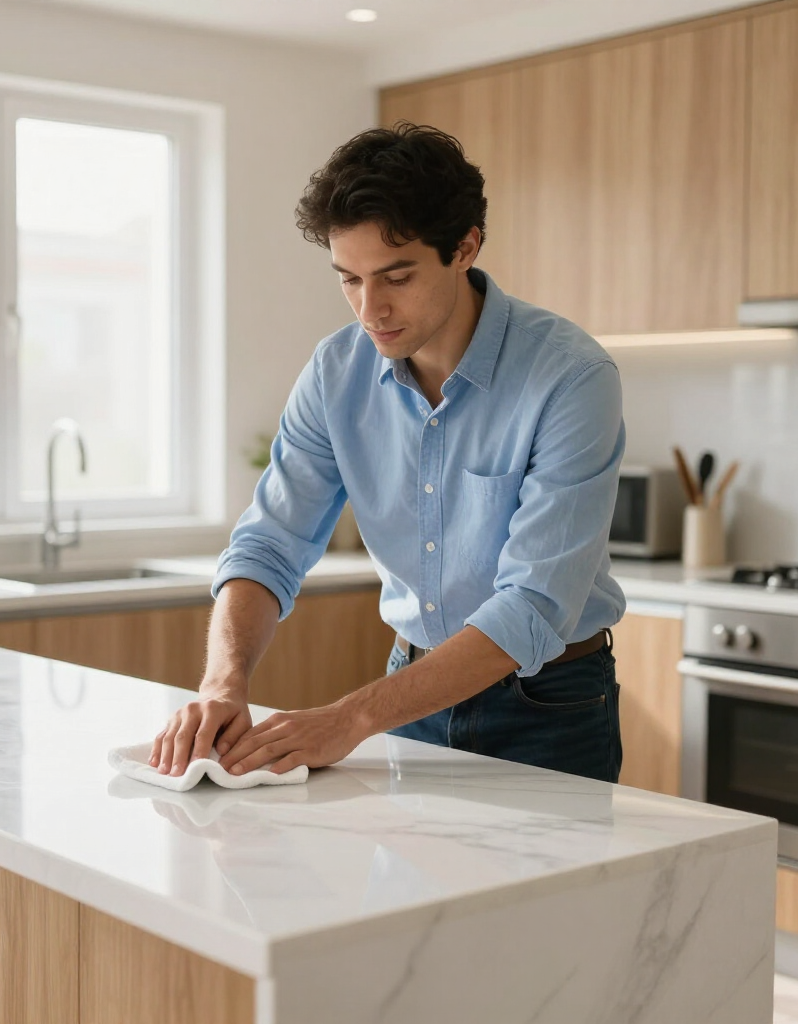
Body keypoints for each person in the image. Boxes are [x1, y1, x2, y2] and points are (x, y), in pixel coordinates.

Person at [150, 122, 626, 784]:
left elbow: (534, 605)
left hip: (547, 704)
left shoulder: (569, 377)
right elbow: (269, 545)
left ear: (465, 247)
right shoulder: (335, 372)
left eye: (396, 276)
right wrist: (222, 683)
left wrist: (347, 719)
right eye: (349, 279)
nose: (370, 309)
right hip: (407, 692)